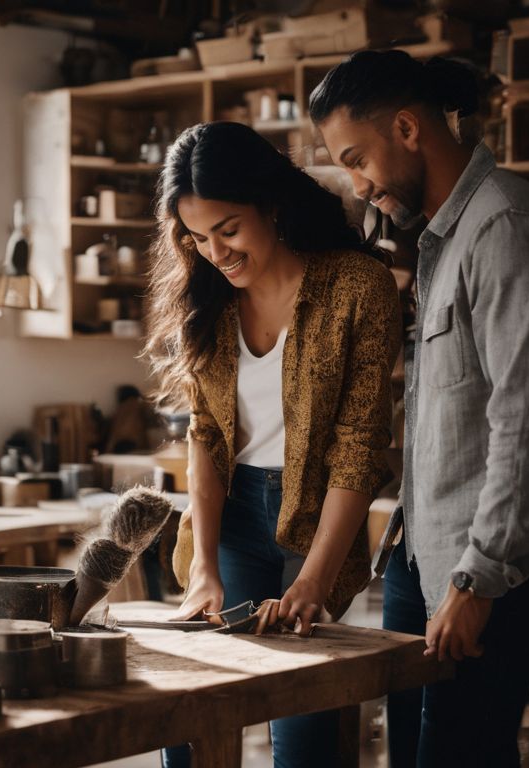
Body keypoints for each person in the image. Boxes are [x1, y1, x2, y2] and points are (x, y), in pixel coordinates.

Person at [310, 50, 529, 768]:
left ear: (406, 127)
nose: (359, 186)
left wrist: (478, 576)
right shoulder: (439, 238)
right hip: (422, 550)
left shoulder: (508, 227)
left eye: (356, 159)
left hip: (487, 564)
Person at [145, 121, 401, 767]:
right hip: (231, 519)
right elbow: (205, 437)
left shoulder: (355, 287)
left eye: (228, 229)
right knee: (194, 710)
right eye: (197, 238)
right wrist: (203, 564)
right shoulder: (206, 303)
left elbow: (358, 449)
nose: (215, 252)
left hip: (316, 522)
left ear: (271, 204)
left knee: (304, 733)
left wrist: (314, 579)